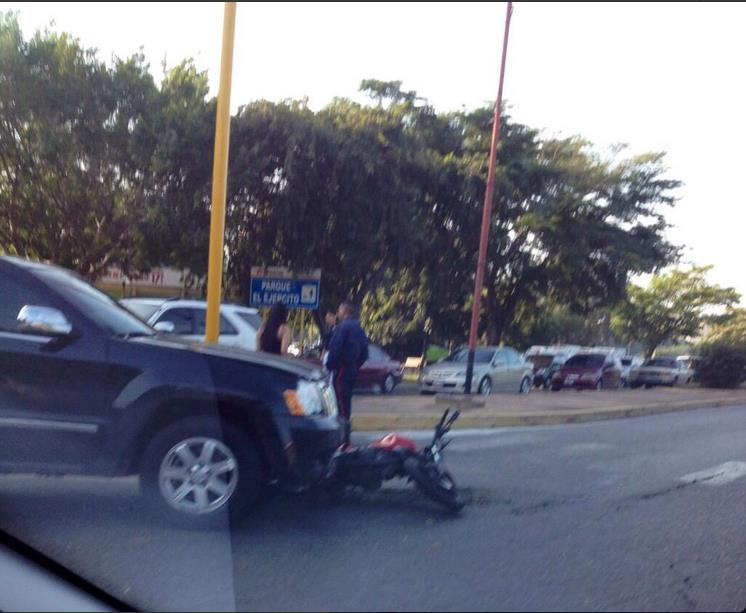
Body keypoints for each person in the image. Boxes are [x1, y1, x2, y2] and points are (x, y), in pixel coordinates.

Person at [326, 301, 369, 444]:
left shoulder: (343, 328)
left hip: (341, 370)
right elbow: (364, 353)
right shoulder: (358, 328)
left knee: (340, 404)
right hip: (351, 370)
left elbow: (335, 348)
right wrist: (355, 365)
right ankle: (345, 437)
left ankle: (343, 439)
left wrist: (330, 365)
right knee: (346, 402)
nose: (337, 313)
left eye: (339, 310)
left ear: (344, 311)